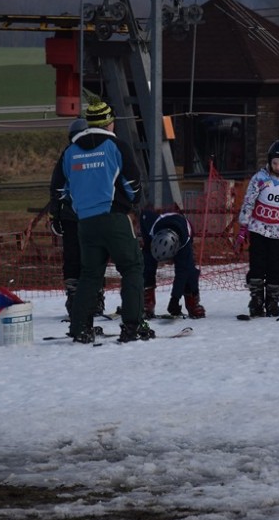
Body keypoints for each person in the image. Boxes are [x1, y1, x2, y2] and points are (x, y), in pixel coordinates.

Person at [62, 102, 154, 343]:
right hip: (114, 217)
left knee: (90, 274)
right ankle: (133, 325)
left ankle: (80, 327)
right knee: (132, 268)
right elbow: (132, 183)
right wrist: (133, 201)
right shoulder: (116, 146)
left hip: (85, 222)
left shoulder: (70, 152)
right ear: (109, 122)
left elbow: (63, 187)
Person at [234, 139, 279, 317]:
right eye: (274, 163)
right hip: (258, 229)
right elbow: (249, 201)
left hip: (278, 233)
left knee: (275, 266)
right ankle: (256, 299)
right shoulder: (260, 178)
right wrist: (243, 226)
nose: (277, 167)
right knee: (257, 264)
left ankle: (272, 300)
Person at [48, 151, 105, 321]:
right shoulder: (70, 155)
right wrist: (55, 214)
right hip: (74, 215)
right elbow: (57, 186)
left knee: (94, 256)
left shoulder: (100, 150)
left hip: (93, 214)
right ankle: (75, 297)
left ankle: (95, 296)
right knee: (75, 256)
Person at [140, 209, 206, 319]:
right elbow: (143, 215)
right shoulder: (150, 221)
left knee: (189, 270)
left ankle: (192, 303)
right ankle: (147, 302)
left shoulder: (184, 244)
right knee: (147, 263)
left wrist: (175, 299)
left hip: (182, 232)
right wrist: (147, 242)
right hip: (158, 232)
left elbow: (182, 272)